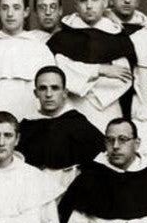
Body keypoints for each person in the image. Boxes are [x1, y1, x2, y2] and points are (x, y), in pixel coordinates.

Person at [47, 0, 137, 131]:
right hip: (71, 107)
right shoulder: (61, 39)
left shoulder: (119, 38)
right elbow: (61, 72)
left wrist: (83, 82)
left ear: (105, 1)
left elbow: (124, 77)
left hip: (108, 108)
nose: (89, 6)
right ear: (76, 4)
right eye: (83, 0)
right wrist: (101, 70)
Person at [16, 66, 104, 194]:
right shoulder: (26, 126)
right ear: (35, 93)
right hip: (33, 190)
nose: (49, 94)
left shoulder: (78, 123)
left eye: (55, 88)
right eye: (43, 88)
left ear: (65, 92)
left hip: (70, 189)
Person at [0, 0, 56, 120]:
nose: (10, 14)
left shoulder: (40, 49)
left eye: (16, 8)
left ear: (26, 12)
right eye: (5, 8)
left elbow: (49, 92)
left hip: (32, 123)